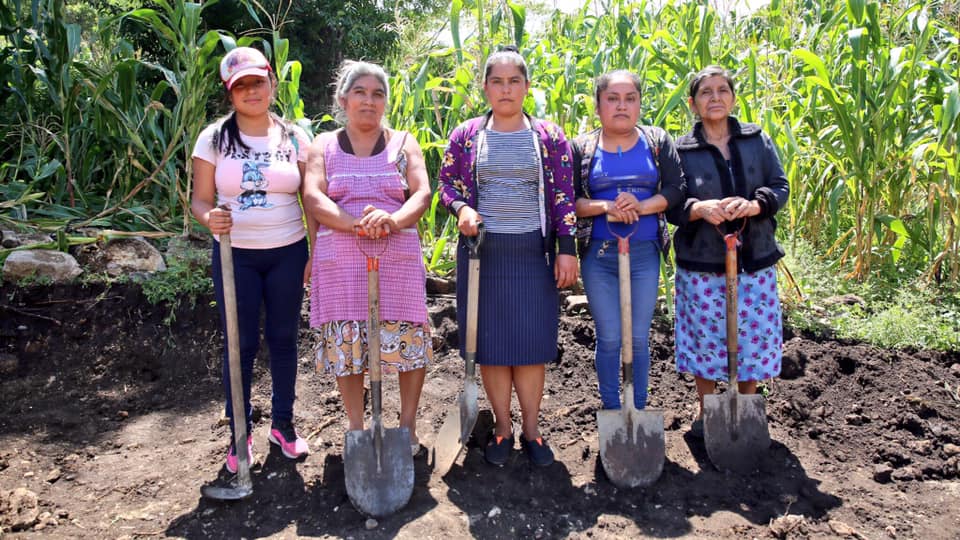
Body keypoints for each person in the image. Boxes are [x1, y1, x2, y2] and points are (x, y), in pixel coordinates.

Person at [438, 46, 578, 467]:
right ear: (485, 88)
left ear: (526, 87)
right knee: (493, 345)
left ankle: (532, 430)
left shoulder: (549, 137)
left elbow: (564, 196)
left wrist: (566, 248)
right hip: (482, 254)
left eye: (514, 81)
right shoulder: (466, 136)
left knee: (532, 345)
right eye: (497, 81)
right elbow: (447, 184)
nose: (505, 89)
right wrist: (462, 208)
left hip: (533, 253)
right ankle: (502, 428)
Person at [191, 46, 314, 473]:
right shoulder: (214, 138)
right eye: (240, 86)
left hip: (287, 251)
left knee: (283, 338)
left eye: (257, 82)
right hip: (235, 256)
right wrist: (210, 218)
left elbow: (310, 199)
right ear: (230, 93)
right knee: (240, 343)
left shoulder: (295, 138)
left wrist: (315, 251)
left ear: (271, 83)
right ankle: (239, 432)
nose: (251, 91)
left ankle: (283, 425)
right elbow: (200, 200)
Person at [303, 61, 432, 456]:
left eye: (378, 94)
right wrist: (356, 224)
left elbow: (422, 193)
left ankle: (406, 428)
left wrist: (392, 220)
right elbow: (313, 196)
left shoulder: (404, 143)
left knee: (409, 339)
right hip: (341, 262)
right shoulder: (323, 145)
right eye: (360, 92)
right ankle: (357, 428)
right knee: (348, 344)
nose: (369, 101)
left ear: (386, 102)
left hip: (397, 257)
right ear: (343, 99)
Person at [667, 65, 789, 437]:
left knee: (753, 339)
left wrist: (754, 205)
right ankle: (707, 411)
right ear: (693, 104)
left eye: (722, 90)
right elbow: (671, 203)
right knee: (704, 338)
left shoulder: (756, 139)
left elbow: (779, 186)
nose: (715, 98)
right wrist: (699, 209)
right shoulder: (680, 149)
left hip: (754, 257)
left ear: (733, 99)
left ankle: (746, 406)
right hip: (702, 262)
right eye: (706, 92)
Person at [572, 70, 686, 411]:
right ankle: (612, 409)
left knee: (637, 337)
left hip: (644, 252)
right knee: (609, 337)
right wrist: (607, 207)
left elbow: (676, 188)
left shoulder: (656, 141)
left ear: (639, 104)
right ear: (598, 106)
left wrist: (640, 205)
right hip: (599, 255)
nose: (621, 106)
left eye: (630, 99)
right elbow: (569, 202)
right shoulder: (581, 148)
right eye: (612, 99)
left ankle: (637, 407)